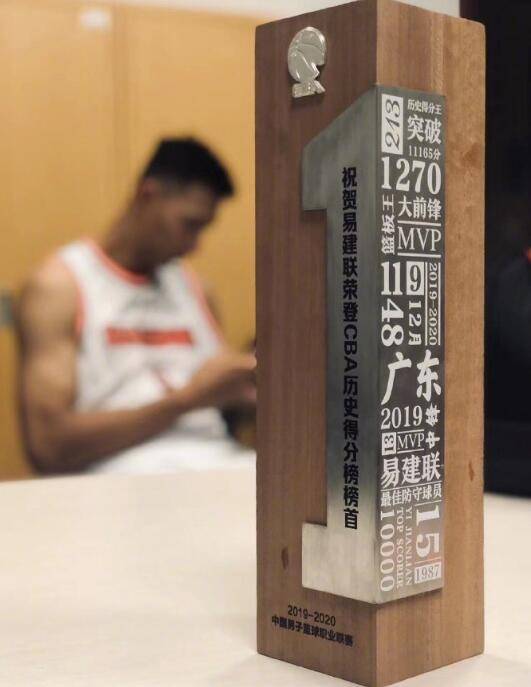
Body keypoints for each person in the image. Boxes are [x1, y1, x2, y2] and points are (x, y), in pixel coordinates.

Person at [16, 138, 256, 475]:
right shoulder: (60, 287)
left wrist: (249, 389)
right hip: (120, 478)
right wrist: (185, 401)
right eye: (189, 224)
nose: (194, 245)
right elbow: (48, 446)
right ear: (148, 195)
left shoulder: (197, 290)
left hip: (220, 463)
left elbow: (221, 407)